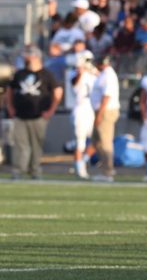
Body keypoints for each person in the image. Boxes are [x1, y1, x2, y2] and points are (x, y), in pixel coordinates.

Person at [7, 46, 62, 180]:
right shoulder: (20, 73)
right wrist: (10, 107)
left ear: (35, 57)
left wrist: (51, 110)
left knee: (36, 145)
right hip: (20, 115)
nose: (25, 58)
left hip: (38, 116)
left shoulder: (47, 74)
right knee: (21, 145)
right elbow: (9, 91)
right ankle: (18, 171)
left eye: (28, 55)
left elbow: (58, 92)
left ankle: (35, 171)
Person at [89, 54, 119, 182]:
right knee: (96, 141)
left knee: (105, 142)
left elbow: (106, 96)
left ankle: (108, 172)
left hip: (105, 111)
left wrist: (100, 114)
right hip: (100, 110)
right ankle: (106, 168)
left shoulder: (108, 75)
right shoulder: (103, 74)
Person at [68, 51, 96, 180]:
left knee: (96, 140)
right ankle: (80, 169)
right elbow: (75, 82)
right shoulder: (76, 74)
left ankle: (82, 161)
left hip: (93, 109)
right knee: (80, 142)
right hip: (81, 109)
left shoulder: (94, 74)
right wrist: (82, 69)